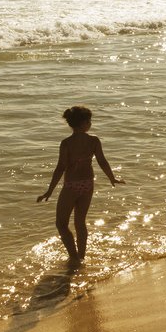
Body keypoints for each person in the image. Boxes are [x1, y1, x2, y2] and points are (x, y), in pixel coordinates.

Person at [37, 105, 124, 261]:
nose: (90, 123)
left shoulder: (66, 143)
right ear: (84, 123)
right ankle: (81, 256)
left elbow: (60, 168)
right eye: (89, 121)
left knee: (61, 224)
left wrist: (49, 191)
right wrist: (112, 178)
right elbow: (102, 162)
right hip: (88, 184)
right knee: (80, 222)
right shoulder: (94, 141)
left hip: (71, 186)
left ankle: (73, 257)